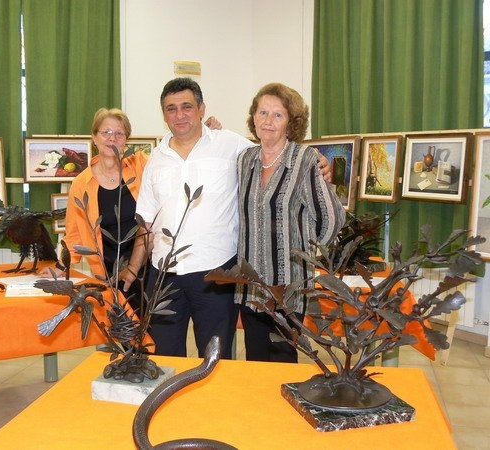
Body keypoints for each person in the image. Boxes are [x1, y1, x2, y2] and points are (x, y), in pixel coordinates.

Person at [133, 78, 331, 359]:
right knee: (163, 355)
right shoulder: (154, 158)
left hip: (216, 274)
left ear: (202, 109)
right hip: (164, 274)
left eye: (187, 106)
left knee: (216, 357)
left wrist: (318, 160)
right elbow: (146, 220)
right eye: (171, 108)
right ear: (163, 114)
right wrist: (133, 269)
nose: (180, 115)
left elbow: (274, 149)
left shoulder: (231, 145)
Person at [236, 82, 345, 363]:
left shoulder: (306, 160)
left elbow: (332, 218)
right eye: (262, 113)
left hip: (288, 285)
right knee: (255, 361)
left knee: (282, 360)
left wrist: (308, 252)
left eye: (278, 115)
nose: (268, 121)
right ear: (253, 117)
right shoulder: (245, 160)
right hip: (251, 284)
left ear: (291, 122)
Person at [38, 108, 147, 310]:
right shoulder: (81, 183)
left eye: (119, 133)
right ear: (94, 137)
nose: (112, 138)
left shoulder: (141, 166)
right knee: (120, 325)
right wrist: (60, 268)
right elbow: (74, 234)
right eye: (106, 132)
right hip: (109, 273)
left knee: (152, 326)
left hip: (147, 266)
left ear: (126, 140)